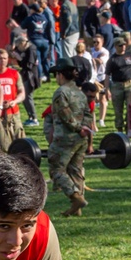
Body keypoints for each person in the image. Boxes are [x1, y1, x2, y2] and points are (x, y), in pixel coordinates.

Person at [47, 59, 91, 216]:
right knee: (75, 170)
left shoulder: (61, 92)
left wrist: (78, 128)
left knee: (56, 168)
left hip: (65, 138)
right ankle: (76, 209)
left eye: (56, 75)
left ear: (60, 75)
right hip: (81, 138)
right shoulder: (80, 93)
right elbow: (88, 113)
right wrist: (84, 129)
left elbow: (64, 114)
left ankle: (75, 197)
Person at [0, 47, 26, 151]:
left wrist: (14, 101)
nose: (2, 61)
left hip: (13, 112)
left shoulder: (14, 73)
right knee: (0, 144)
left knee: (20, 141)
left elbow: (22, 92)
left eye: (4, 58)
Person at [105, 38, 131, 133]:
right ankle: (120, 130)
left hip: (130, 84)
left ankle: (128, 128)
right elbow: (107, 75)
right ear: (116, 46)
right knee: (118, 110)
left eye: (124, 44)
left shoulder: (130, 56)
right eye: (120, 45)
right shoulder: (112, 59)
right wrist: (107, 89)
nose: (123, 46)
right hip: (117, 86)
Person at [25, 0, 57, 80]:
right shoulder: (43, 16)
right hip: (44, 40)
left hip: (39, 40)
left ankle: (39, 76)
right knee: (45, 59)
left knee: (38, 59)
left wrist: (51, 39)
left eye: (41, 2)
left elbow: (51, 26)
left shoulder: (43, 14)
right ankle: (47, 76)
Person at [11, 32, 41, 125]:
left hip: (31, 76)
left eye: (18, 46)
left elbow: (29, 65)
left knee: (28, 97)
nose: (18, 48)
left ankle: (34, 119)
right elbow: (23, 64)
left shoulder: (31, 49)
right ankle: (30, 117)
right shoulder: (26, 49)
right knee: (24, 97)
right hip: (26, 75)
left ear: (22, 43)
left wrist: (19, 58)